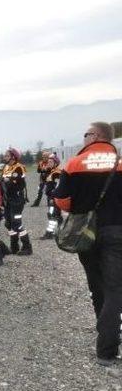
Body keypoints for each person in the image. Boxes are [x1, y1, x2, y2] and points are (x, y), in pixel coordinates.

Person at [53, 121, 122, 366]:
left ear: (96, 136)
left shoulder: (74, 164)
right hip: (117, 231)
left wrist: (81, 206)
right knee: (115, 288)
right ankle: (107, 347)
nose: (83, 138)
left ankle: (103, 329)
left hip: (86, 232)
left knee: (97, 285)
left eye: (86, 134)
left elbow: (61, 201)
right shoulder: (120, 163)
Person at [2, 147, 33, 256]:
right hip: (7, 199)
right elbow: (5, 182)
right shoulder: (5, 167)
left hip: (17, 199)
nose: (4, 157)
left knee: (16, 223)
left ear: (13, 157)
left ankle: (27, 246)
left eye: (6, 155)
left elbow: (11, 183)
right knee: (8, 223)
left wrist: (5, 181)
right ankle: (14, 246)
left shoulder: (19, 168)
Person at [40, 154, 62, 240]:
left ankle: (49, 232)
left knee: (52, 214)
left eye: (51, 162)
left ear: (56, 163)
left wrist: (53, 198)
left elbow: (57, 187)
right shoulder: (51, 171)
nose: (48, 163)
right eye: (48, 162)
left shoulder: (57, 173)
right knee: (57, 215)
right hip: (50, 197)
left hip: (54, 198)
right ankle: (62, 230)